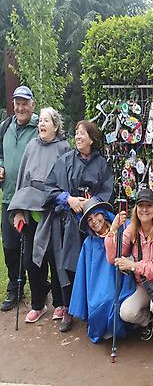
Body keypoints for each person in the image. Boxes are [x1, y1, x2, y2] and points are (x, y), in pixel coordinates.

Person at [40, 120, 114, 332]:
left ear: (91, 139)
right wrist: (69, 199)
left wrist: (90, 205)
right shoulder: (65, 161)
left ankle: (93, 310)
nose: (78, 137)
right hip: (69, 223)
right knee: (68, 266)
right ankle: (68, 309)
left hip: (93, 223)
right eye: (76, 133)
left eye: (83, 134)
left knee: (92, 267)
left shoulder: (102, 165)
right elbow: (49, 188)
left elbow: (107, 191)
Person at [7, 107, 70, 322]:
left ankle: (60, 303)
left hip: (54, 213)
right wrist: (18, 210)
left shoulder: (64, 148)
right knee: (31, 261)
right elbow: (21, 182)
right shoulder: (31, 146)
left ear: (56, 125)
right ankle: (38, 304)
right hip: (31, 213)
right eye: (40, 120)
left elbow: (67, 182)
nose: (42, 124)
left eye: (46, 121)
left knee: (55, 258)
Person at [105, 188, 153, 341]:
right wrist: (113, 231)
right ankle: (148, 321)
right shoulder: (132, 229)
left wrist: (133, 265)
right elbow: (113, 257)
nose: (144, 209)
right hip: (144, 284)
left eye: (149, 205)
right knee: (126, 312)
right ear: (136, 208)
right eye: (141, 205)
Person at [69, 198, 136, 343]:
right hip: (99, 286)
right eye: (89, 219)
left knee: (113, 302)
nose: (94, 221)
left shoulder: (123, 228)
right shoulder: (89, 243)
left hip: (123, 281)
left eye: (96, 215)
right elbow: (85, 275)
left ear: (104, 214)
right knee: (99, 303)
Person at [0, 86, 38, 311]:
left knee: (32, 248)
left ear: (32, 105)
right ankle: (14, 287)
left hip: (30, 201)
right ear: (13, 105)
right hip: (8, 199)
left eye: (25, 103)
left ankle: (38, 287)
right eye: (18, 103)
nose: (21, 107)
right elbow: (1, 154)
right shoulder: (5, 127)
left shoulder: (38, 128)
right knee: (10, 246)